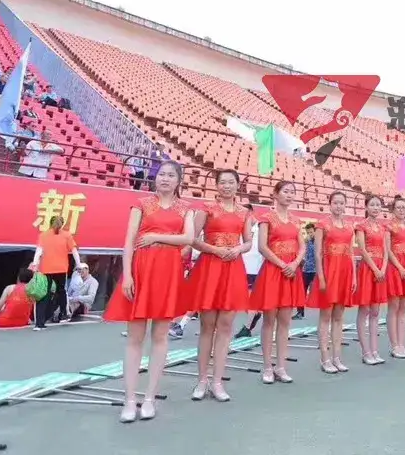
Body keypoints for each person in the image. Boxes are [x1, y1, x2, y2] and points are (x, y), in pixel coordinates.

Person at [104, 161, 197, 423]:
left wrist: (157, 237)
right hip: (141, 270)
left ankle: (149, 398)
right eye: (161, 174)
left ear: (178, 180)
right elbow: (129, 241)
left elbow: (189, 238)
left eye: (170, 175)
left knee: (160, 336)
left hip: (168, 273)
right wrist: (127, 275)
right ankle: (129, 399)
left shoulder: (186, 208)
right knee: (135, 337)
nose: (165, 179)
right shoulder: (141, 204)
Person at [184, 169, 252, 402]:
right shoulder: (206, 209)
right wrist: (215, 250)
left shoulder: (244, 212)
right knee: (207, 326)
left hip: (232, 269)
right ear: (216, 185)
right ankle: (202, 380)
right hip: (210, 268)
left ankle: (217, 382)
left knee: (225, 326)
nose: (226, 186)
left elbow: (248, 242)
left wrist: (238, 249)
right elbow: (192, 238)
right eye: (222, 182)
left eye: (231, 182)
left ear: (237, 186)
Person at [249, 181, 306, 384]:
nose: (289, 195)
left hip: (291, 273)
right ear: (275, 194)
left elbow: (302, 246)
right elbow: (262, 247)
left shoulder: (296, 220)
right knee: (269, 321)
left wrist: (295, 263)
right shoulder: (266, 218)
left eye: (292, 192)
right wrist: (283, 265)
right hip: (274, 272)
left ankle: (281, 366)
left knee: (285, 321)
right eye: (285, 192)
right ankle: (267, 366)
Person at [306, 191, 356, 374]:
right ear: (330, 204)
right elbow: (318, 253)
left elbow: (351, 252)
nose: (339, 206)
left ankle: (337, 357)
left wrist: (354, 277)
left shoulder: (349, 226)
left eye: (342, 203)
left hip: (345, 273)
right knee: (325, 316)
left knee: (339, 317)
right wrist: (321, 277)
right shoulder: (322, 225)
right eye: (335, 202)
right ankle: (325, 358)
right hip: (329, 272)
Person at [354, 194, 389, 365]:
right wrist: (375, 268)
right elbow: (362, 249)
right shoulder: (361, 226)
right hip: (368, 270)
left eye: (378, 205)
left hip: (381, 270)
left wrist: (383, 268)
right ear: (366, 207)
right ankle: (366, 352)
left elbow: (386, 250)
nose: (376, 208)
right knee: (365, 310)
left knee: (375, 312)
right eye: (372, 205)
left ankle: (375, 350)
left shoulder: (383, 228)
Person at [32, 215, 81, 329]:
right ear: (62, 224)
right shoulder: (67, 235)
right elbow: (74, 251)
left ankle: (39, 324)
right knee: (61, 291)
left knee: (44, 294)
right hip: (61, 268)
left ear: (50, 223)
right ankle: (64, 314)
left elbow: (38, 252)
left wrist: (35, 265)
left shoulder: (43, 235)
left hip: (46, 268)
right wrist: (78, 264)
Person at [384, 196, 405, 358]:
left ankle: (402, 345)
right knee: (394, 307)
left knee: (404, 308)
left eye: (404, 207)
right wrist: (400, 267)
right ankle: (394, 346)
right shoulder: (388, 226)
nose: (402, 210)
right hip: (395, 268)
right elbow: (388, 250)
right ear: (393, 209)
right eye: (398, 207)